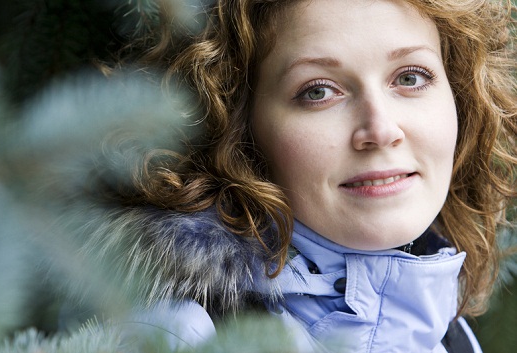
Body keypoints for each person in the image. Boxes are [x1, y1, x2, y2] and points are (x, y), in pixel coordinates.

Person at [76, 0, 516, 352]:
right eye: (318, 91)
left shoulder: (447, 335)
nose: (380, 130)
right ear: (238, 128)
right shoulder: (179, 335)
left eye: (411, 76)